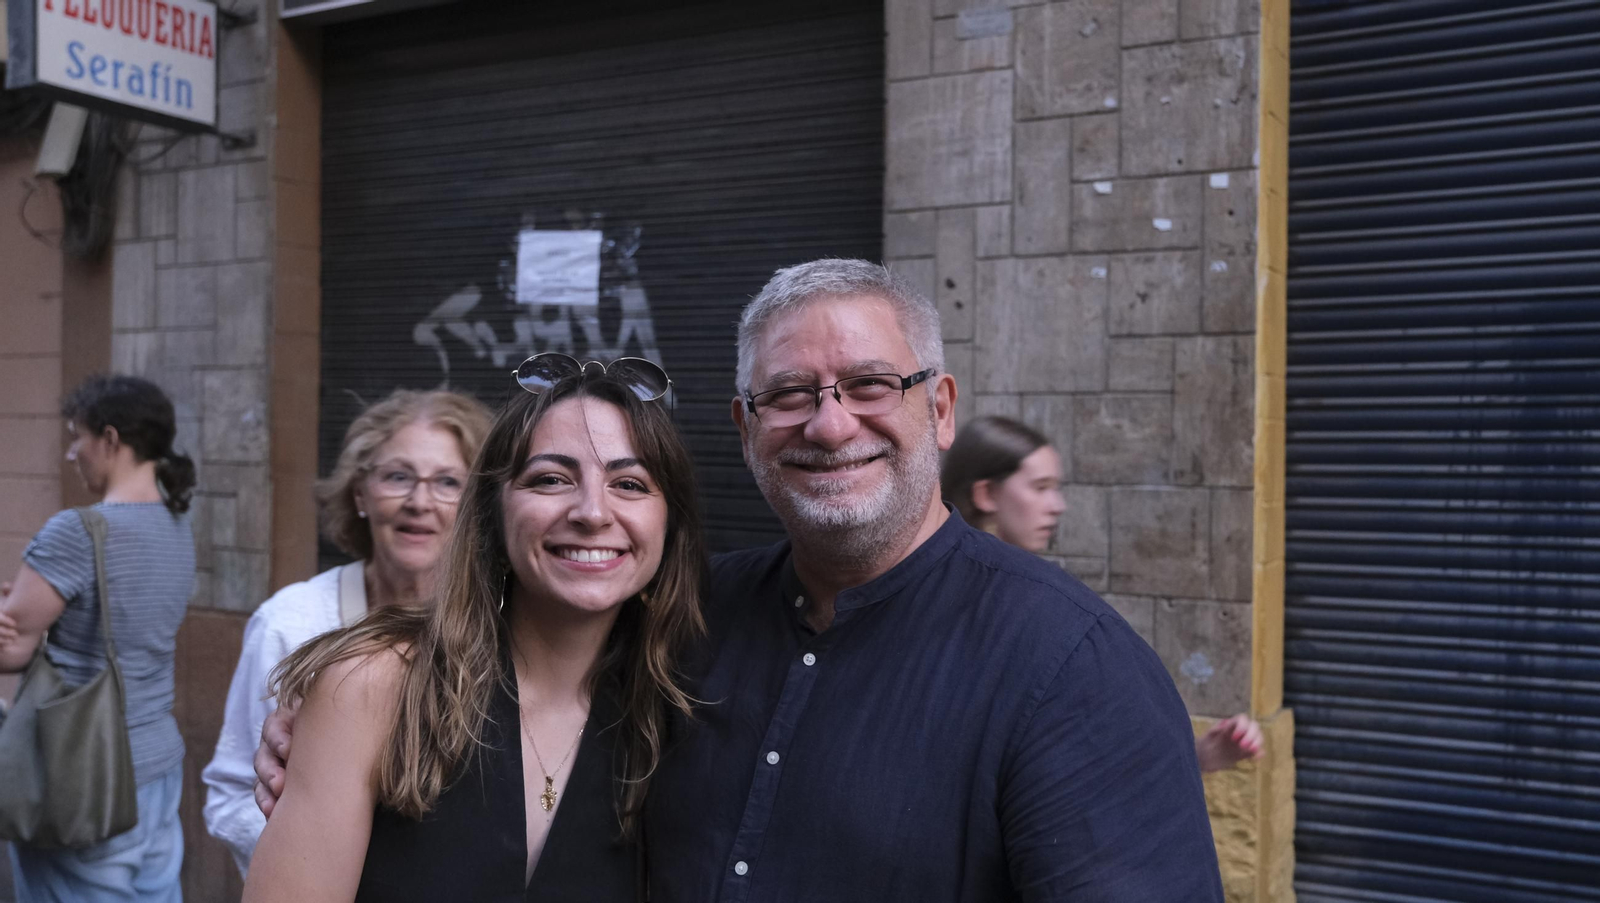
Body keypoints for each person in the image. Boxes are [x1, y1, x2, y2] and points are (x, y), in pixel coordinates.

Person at [257, 259, 1225, 900]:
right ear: (744, 427)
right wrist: (351, 707)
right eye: (792, 394)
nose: (830, 422)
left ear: (940, 408)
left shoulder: (1071, 669)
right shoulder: (682, 624)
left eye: (868, 385)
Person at [241, 359, 706, 902]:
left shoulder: (681, 708)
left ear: (670, 525)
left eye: (630, 483)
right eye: (551, 479)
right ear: (492, 511)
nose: (592, 512)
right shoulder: (375, 685)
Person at [201, 390, 491, 876]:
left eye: (448, 482)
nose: (419, 502)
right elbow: (230, 797)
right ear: (360, 493)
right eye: (398, 477)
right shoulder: (291, 622)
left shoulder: (504, 627)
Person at [942, 415, 1265, 773]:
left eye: (1056, 487)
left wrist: (1196, 758)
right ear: (986, 494)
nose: (1057, 504)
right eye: (1040, 487)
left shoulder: (1029, 597)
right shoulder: (986, 607)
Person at [0, 375, 196, 903]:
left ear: (110, 440)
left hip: (83, 773)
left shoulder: (79, 531)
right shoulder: (177, 524)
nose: (70, 453)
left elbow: (11, 648)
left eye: (76, 436)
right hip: (157, 766)